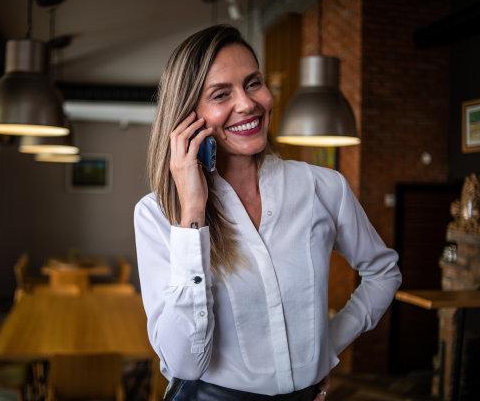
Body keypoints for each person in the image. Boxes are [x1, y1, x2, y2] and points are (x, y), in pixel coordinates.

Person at [134, 24, 401, 401]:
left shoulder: (323, 188)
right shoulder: (157, 215)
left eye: (253, 83)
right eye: (221, 94)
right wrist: (192, 213)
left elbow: (383, 272)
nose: (247, 104)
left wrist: (326, 348)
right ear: (187, 118)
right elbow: (183, 364)